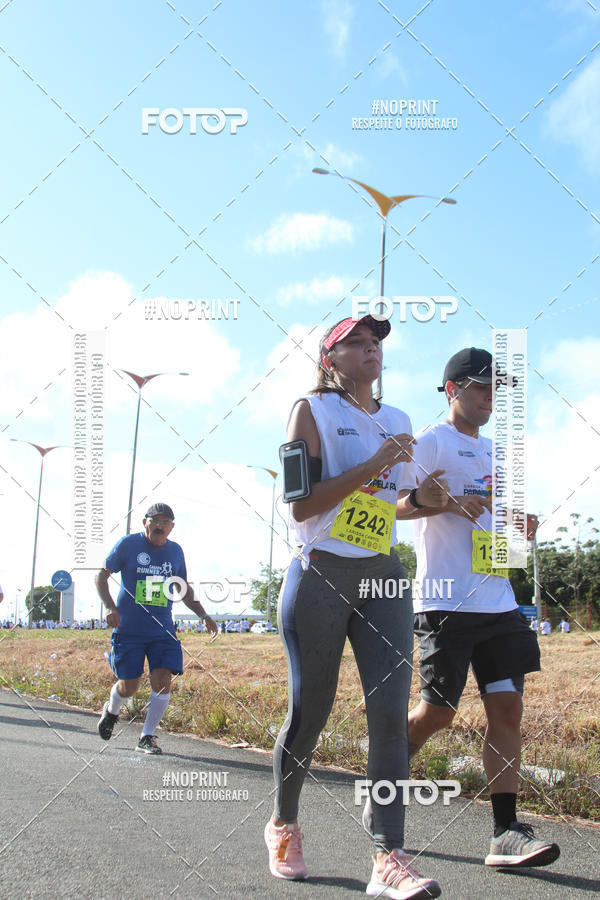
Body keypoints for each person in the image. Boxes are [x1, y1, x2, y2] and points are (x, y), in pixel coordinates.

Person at [265, 316, 447, 899]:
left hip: (382, 576)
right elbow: (300, 504)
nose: (371, 349)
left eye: (376, 343)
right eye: (357, 343)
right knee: (310, 713)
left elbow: (391, 504)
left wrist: (424, 500)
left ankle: (388, 855)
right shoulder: (310, 410)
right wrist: (373, 465)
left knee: (390, 715)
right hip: (320, 571)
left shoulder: (399, 420)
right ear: (330, 359)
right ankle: (284, 824)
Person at [394, 347, 560, 869]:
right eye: (481, 387)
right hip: (446, 603)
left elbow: (499, 519)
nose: (490, 397)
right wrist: (437, 502)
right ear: (453, 389)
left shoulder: (498, 452)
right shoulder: (430, 442)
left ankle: (505, 833)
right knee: (439, 714)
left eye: (496, 389)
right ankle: (383, 781)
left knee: (507, 709)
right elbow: (390, 505)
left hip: (499, 604)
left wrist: (522, 524)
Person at [95, 502, 218, 753]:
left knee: (162, 680)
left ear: (172, 527)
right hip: (129, 629)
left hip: (162, 629)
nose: (159, 526)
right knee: (130, 686)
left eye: (165, 522)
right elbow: (101, 575)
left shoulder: (175, 551)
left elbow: (182, 587)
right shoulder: (128, 545)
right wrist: (109, 607)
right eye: (155, 521)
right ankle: (112, 711)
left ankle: (147, 736)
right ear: (145, 523)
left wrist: (204, 614)